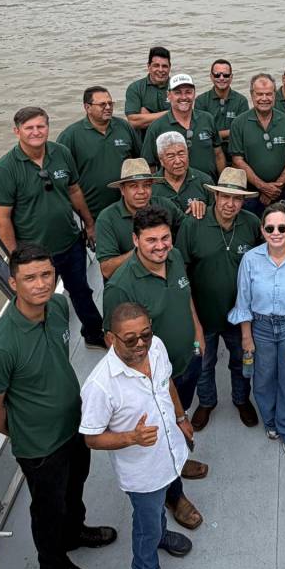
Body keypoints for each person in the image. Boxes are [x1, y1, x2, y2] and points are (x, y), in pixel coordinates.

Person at [0, 244, 116, 569]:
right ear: (13, 282)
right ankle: (54, 567)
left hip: (75, 426)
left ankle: (75, 531)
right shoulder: (0, 348)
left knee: (75, 486)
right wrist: (26, 429)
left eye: (46, 275)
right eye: (30, 278)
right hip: (40, 445)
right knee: (48, 508)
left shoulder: (57, 307)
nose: (40, 284)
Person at [80, 302, 197, 569]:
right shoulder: (101, 386)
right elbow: (91, 437)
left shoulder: (156, 348)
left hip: (169, 454)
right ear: (111, 339)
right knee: (145, 523)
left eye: (145, 334)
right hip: (142, 473)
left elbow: (167, 382)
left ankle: (161, 535)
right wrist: (131, 437)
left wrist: (181, 416)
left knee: (158, 508)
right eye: (130, 339)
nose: (141, 343)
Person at [101, 206, 209, 506]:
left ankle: (179, 457)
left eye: (165, 238)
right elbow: (113, 341)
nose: (160, 246)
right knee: (161, 431)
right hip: (156, 379)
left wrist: (198, 333)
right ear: (135, 240)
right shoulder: (121, 287)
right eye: (151, 240)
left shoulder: (173, 258)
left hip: (188, 360)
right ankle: (175, 497)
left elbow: (185, 298)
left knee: (179, 417)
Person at [0, 106, 104, 348]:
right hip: (34, 254)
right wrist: (15, 258)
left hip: (70, 243)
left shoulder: (61, 153)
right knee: (38, 301)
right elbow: (3, 219)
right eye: (29, 128)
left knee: (82, 292)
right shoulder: (5, 169)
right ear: (16, 131)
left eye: (40, 126)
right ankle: (42, 346)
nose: (36, 132)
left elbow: (74, 190)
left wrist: (90, 223)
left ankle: (94, 335)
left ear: (48, 128)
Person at [228, 202, 285, 454]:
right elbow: (243, 301)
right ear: (262, 231)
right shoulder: (250, 259)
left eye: (282, 227)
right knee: (263, 380)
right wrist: (246, 337)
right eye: (270, 227)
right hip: (261, 327)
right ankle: (270, 421)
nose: (276, 232)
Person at [174, 167, 262, 431]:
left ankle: (241, 399)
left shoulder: (251, 223)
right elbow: (180, 271)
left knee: (241, 361)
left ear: (243, 201)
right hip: (202, 315)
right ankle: (207, 402)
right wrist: (191, 319)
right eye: (224, 196)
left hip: (240, 315)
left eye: (236, 198)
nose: (230, 204)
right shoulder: (193, 224)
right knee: (203, 363)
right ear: (215, 196)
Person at [56, 86, 141, 221]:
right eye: (102, 104)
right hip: (91, 213)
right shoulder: (70, 136)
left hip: (127, 208)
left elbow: (139, 161)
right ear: (87, 107)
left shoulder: (124, 127)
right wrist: (87, 222)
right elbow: (62, 180)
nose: (108, 107)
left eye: (110, 103)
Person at [229, 72, 285, 214]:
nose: (264, 98)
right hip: (250, 195)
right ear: (252, 95)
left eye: (268, 94)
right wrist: (262, 187)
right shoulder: (238, 123)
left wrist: (275, 188)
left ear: (275, 95)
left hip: (283, 193)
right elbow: (237, 160)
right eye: (259, 94)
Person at [96, 158, 180, 281]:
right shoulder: (106, 219)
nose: (141, 192)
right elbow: (107, 270)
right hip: (129, 286)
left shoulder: (165, 205)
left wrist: (197, 207)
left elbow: (187, 228)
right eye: (134, 186)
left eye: (146, 185)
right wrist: (142, 249)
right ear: (122, 190)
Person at [142, 74, 224, 181]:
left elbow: (218, 154)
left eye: (188, 92)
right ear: (168, 95)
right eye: (178, 93)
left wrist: (222, 183)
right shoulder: (156, 127)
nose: (184, 97)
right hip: (172, 193)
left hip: (207, 188)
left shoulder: (207, 119)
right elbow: (150, 165)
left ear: (194, 94)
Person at [194, 58, 248, 161]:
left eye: (226, 75)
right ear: (211, 77)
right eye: (217, 75)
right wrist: (230, 132)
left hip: (235, 154)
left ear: (231, 77)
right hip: (209, 154)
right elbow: (202, 134)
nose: (221, 78)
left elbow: (243, 132)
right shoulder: (201, 101)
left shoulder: (241, 101)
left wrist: (216, 134)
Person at [149, 132, 211, 221]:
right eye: (171, 156)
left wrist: (206, 210)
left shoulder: (204, 181)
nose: (178, 161)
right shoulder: (151, 185)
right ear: (161, 160)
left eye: (181, 154)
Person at [125, 46, 172, 136]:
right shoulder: (135, 88)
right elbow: (133, 121)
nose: (161, 70)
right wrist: (171, 113)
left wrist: (147, 117)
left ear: (170, 67)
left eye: (165, 66)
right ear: (149, 66)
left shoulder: (178, 87)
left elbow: (186, 116)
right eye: (156, 65)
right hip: (144, 141)